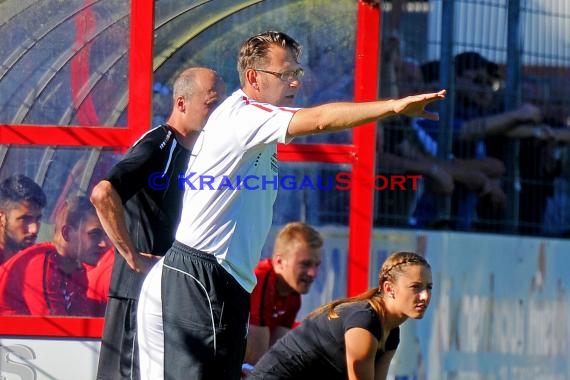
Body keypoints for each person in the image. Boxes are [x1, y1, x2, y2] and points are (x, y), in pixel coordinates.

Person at [137, 30, 445, 380]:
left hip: (222, 279)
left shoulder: (254, 120)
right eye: (285, 75)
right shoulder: (245, 116)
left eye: (297, 73)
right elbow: (321, 119)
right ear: (253, 77)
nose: (295, 83)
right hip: (198, 277)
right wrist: (392, 107)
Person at [89, 67, 225, 380]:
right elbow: (103, 194)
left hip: (167, 293)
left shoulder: (198, 154)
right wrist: (132, 256)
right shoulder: (160, 144)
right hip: (136, 293)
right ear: (181, 103)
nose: (217, 114)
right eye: (211, 104)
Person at [248, 251, 432, 380]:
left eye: (429, 287)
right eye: (416, 287)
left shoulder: (392, 333)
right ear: (389, 288)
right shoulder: (365, 321)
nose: (425, 296)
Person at [0, 195, 109, 316]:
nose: (103, 243)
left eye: (106, 235)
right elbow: (57, 330)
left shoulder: (78, 270)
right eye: (94, 234)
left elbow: (82, 323)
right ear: (66, 233)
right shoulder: (40, 265)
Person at [244, 222, 323, 367]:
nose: (313, 273)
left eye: (317, 265)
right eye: (305, 264)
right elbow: (257, 358)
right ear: (279, 262)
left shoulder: (293, 294)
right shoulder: (261, 280)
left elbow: (277, 353)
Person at [0, 174, 47, 264]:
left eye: (38, 219)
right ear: (2, 218)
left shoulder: (31, 263)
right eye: (25, 219)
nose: (34, 229)